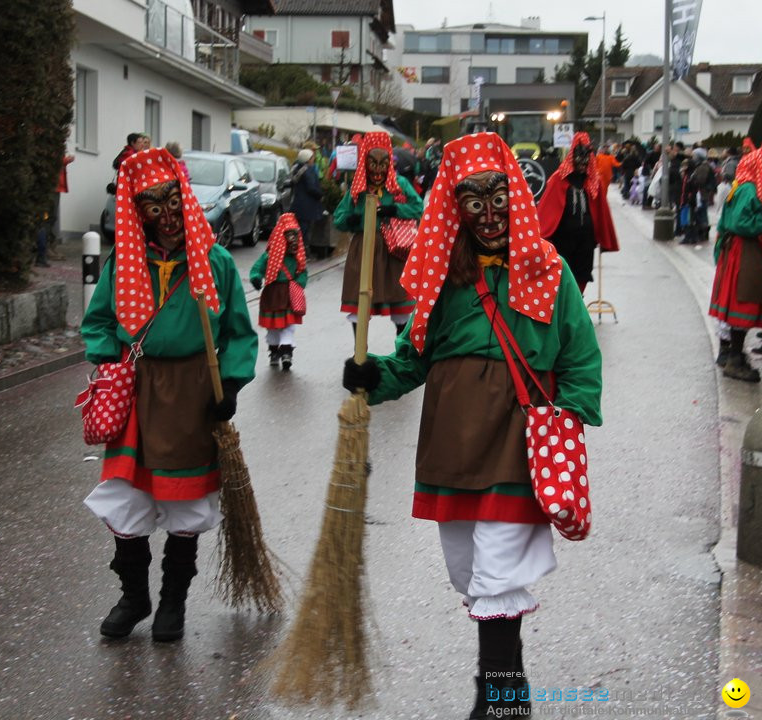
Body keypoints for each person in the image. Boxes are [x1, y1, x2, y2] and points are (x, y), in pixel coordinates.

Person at [341, 132, 602, 719]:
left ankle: (505, 701)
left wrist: (569, 418)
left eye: (498, 197)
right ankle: (499, 689)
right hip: (452, 438)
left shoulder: (550, 270)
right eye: (473, 201)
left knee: (497, 570)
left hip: (517, 434)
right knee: (468, 568)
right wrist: (369, 376)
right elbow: (411, 362)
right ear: (454, 206)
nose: (488, 214)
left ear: (517, 196)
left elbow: (581, 357)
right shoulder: (440, 277)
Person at [80, 146, 257, 642]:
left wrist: (232, 384)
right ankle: (135, 597)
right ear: (140, 214)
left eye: (173, 203)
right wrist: (109, 363)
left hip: (193, 393)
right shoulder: (124, 264)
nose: (168, 216)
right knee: (126, 499)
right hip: (138, 392)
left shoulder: (214, 262)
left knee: (184, 504)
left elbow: (240, 334)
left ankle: (172, 604)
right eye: (153, 208)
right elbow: (97, 323)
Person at [333, 131, 424, 335]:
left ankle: (403, 352)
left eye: (383, 164)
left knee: (400, 304)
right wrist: (351, 220)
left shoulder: (400, 184)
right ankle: (360, 353)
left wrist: (395, 210)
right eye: (373, 163)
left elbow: (419, 209)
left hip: (393, 250)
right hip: (364, 249)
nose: (378, 170)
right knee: (360, 302)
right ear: (365, 162)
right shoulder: (358, 188)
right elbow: (338, 217)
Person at [708, 136, 762, 382]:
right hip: (744, 251)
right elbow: (742, 223)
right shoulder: (750, 189)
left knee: (735, 303)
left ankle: (731, 354)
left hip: (736, 250)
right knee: (743, 302)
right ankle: (734, 359)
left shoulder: (741, 185)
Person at [537, 132, 619, 295]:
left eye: (586, 160)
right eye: (579, 159)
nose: (582, 164)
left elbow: (601, 212)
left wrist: (602, 237)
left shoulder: (593, 182)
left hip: (586, 239)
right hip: (563, 239)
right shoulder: (558, 180)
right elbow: (547, 210)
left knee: (582, 273)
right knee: (562, 273)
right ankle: (564, 305)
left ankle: (578, 303)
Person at [249, 213, 308, 371]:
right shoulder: (269, 256)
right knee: (273, 326)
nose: (292, 239)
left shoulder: (297, 257)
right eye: (289, 235)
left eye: (294, 235)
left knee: (288, 325)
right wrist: (256, 277)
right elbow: (257, 268)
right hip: (272, 293)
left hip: (289, 294)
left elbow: (302, 271)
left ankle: (287, 353)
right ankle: (274, 352)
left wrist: (299, 283)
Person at [290, 147, 325, 257]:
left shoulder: (297, 168)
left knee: (299, 229)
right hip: (307, 205)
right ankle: (303, 252)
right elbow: (311, 187)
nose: (313, 159)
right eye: (311, 157)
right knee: (304, 230)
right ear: (307, 159)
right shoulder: (308, 170)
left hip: (298, 204)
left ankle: (298, 250)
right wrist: (320, 195)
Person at [681, 147, 717, 244]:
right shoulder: (701, 166)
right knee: (701, 213)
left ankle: (703, 233)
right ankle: (702, 233)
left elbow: (700, 180)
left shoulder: (703, 167)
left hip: (702, 193)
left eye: (694, 156)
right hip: (702, 193)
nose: (693, 158)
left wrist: (692, 179)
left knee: (701, 214)